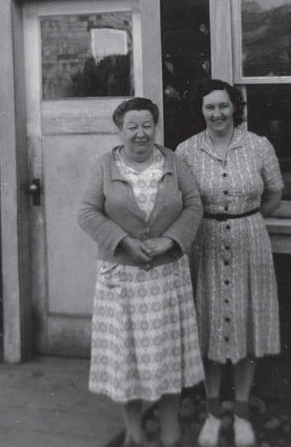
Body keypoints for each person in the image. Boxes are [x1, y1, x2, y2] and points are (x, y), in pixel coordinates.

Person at [78, 97, 204, 447]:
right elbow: (88, 213)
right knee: (126, 358)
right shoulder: (105, 166)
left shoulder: (174, 163)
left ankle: (170, 431)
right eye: (132, 126)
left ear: (155, 127)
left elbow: (193, 205)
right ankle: (134, 432)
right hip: (123, 278)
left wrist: (170, 240)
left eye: (147, 125)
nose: (140, 134)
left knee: (168, 357)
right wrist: (123, 242)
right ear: (120, 130)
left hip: (167, 278)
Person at [176, 79, 283, 447]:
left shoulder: (257, 146)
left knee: (245, 326)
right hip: (204, 244)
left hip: (249, 242)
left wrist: (247, 220)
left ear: (235, 107)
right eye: (210, 107)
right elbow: (182, 202)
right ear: (201, 111)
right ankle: (211, 413)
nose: (217, 113)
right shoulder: (187, 151)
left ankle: (240, 415)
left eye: (223, 106)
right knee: (209, 327)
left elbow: (275, 193)